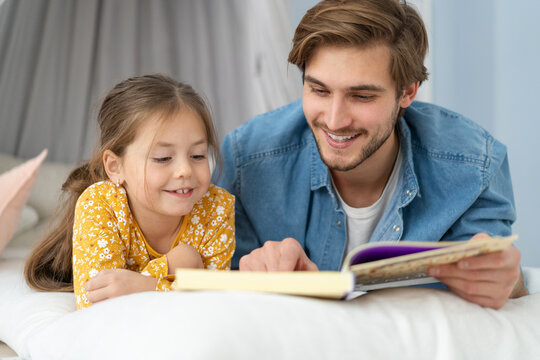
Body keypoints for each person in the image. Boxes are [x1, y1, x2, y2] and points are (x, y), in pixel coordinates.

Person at [216, 0, 527, 309]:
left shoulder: (474, 165)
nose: (335, 121)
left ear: (407, 92)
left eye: (361, 96)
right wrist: (251, 274)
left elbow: (504, 287)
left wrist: (506, 280)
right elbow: (212, 290)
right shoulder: (248, 158)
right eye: (319, 91)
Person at [25, 74, 235, 309]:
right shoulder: (101, 204)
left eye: (197, 155)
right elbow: (96, 300)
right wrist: (170, 266)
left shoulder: (216, 207)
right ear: (115, 167)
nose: (185, 170)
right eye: (163, 158)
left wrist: (146, 285)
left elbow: (216, 299)